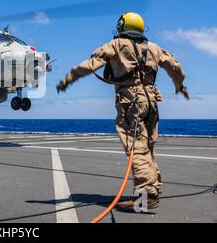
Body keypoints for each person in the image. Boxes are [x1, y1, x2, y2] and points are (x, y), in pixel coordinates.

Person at [56, 12, 189, 212]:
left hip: (130, 102)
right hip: (151, 101)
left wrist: (68, 79)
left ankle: (147, 196)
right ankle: (152, 188)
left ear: (121, 27)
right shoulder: (154, 48)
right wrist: (180, 86)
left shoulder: (116, 45)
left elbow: (90, 64)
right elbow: (176, 67)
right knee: (148, 146)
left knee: (136, 148)